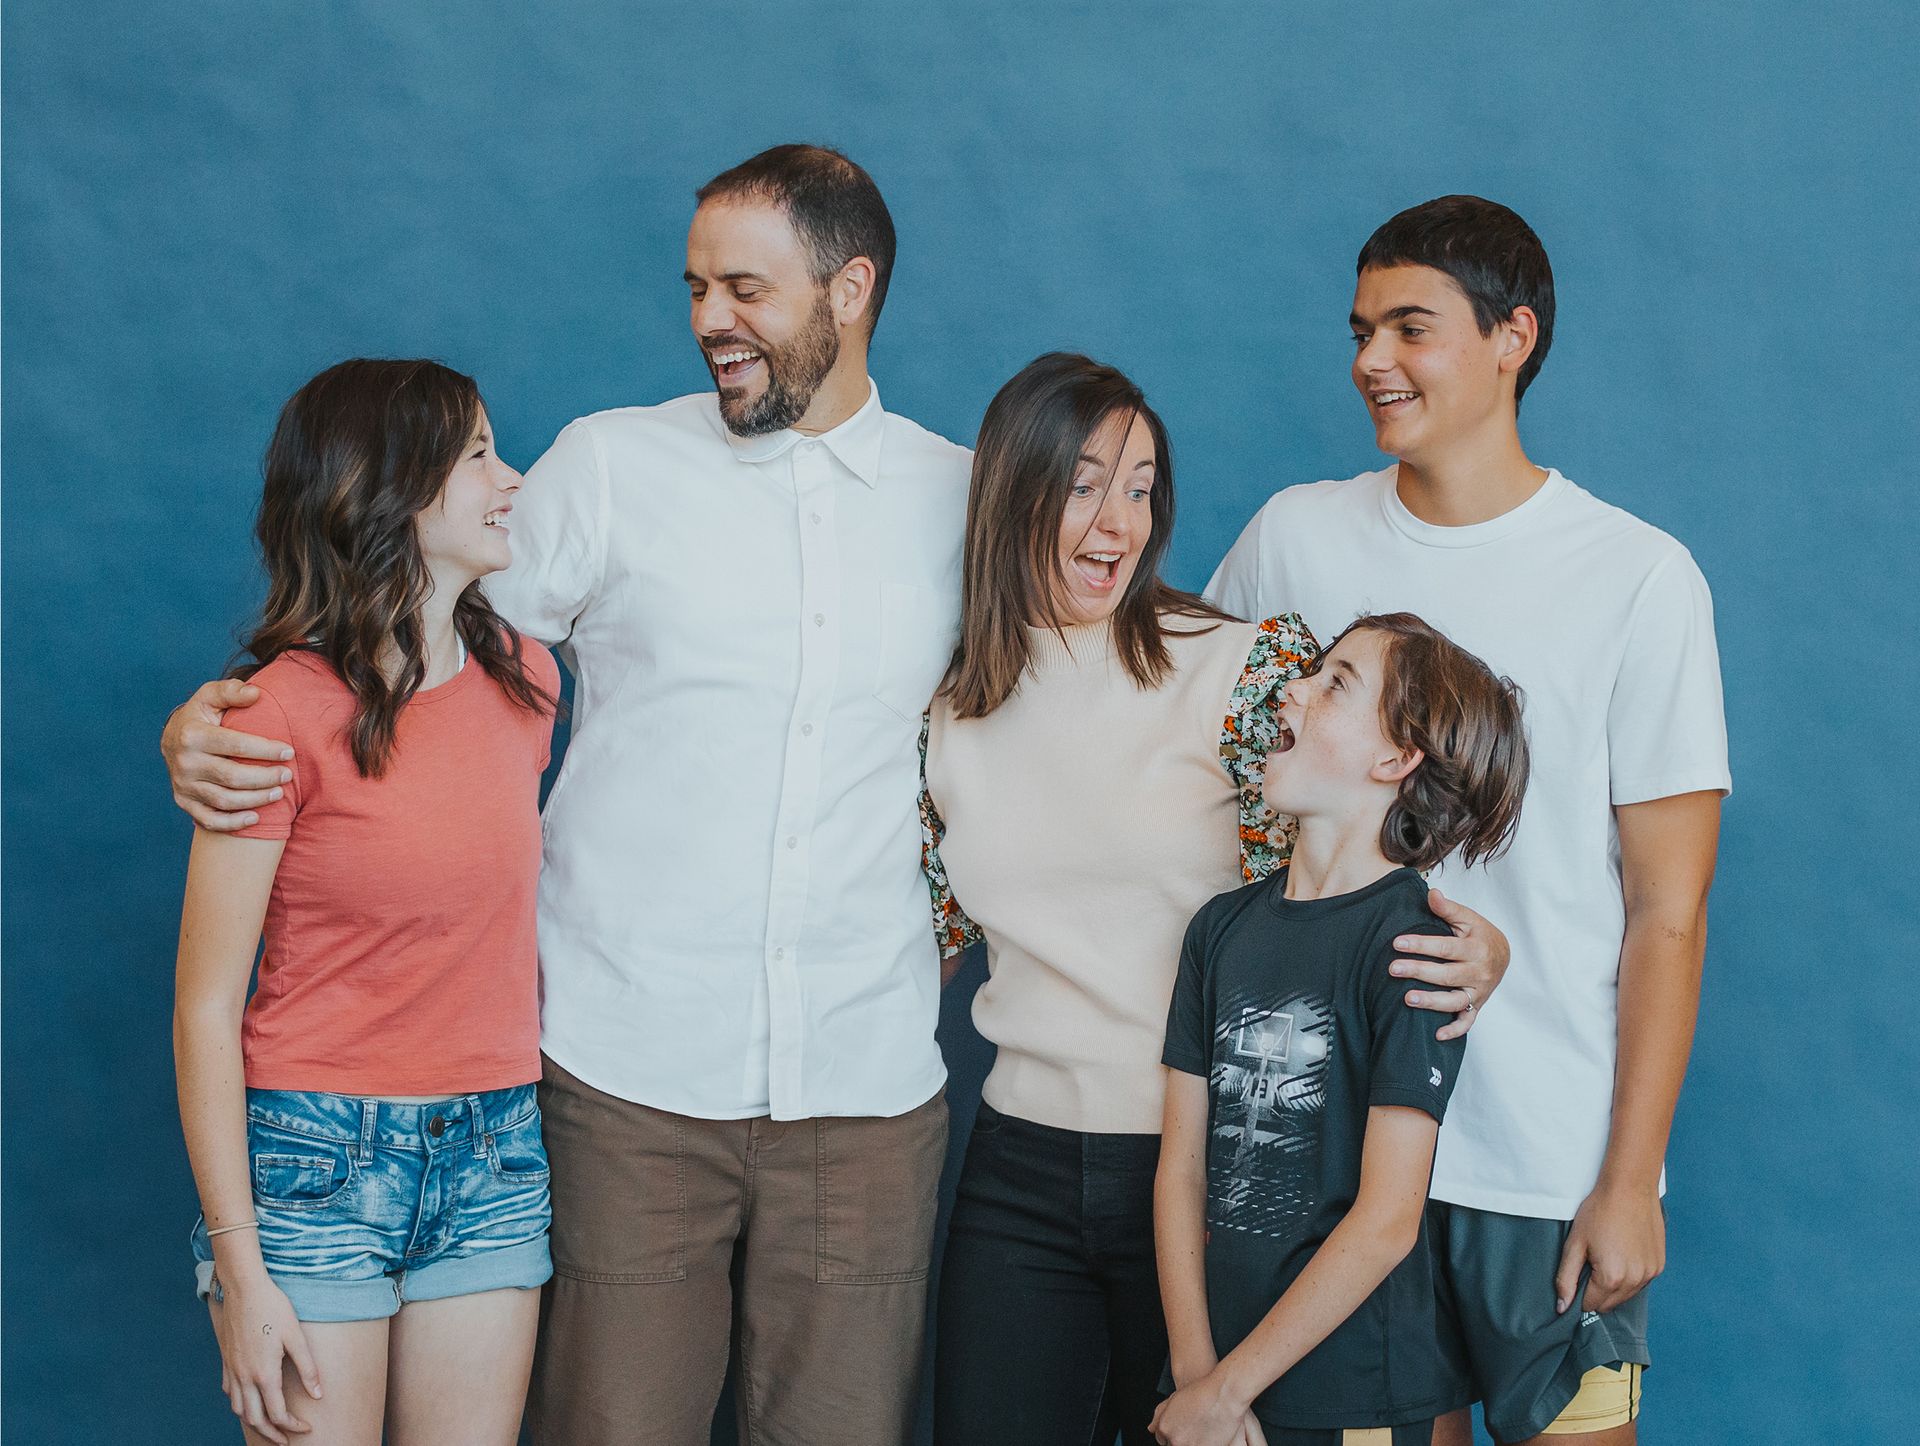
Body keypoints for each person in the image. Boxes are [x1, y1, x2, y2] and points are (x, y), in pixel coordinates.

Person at [162, 146, 968, 1446]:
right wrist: (213, 719)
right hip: (622, 1078)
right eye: (696, 285)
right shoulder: (604, 468)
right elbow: (398, 629)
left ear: (851, 288)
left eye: (745, 288)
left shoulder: (958, 496)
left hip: (862, 1086)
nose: (710, 317)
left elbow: (1069, 692)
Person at [1207, 196, 1730, 1445]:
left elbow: (1670, 908)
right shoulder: (1297, 536)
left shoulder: (1637, 576)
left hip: (1538, 1152)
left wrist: (1626, 1180)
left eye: (1411, 328)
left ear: (1514, 338)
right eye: (1359, 329)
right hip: (1339, 1154)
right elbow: (1199, 757)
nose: (1370, 361)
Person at [921, 354, 1513, 1446]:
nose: (1120, 522)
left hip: (1215, 1173)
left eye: (1143, 487)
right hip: (1019, 1168)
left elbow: (1351, 868)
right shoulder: (949, 710)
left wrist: (1478, 949)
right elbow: (927, 939)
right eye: (1087, 483)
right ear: (1016, 488)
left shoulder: (1238, 673)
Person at [173, 359, 561, 1446]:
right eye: (480, 452)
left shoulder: (530, 685)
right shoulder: (271, 718)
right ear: (388, 486)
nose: (513, 477)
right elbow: (207, 1007)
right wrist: (239, 1270)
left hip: (495, 1143)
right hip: (316, 1159)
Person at [1152, 613, 1531, 1446]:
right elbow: (1179, 1171)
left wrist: (1233, 1386)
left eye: (1335, 683)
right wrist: (1197, 1379)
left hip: (1351, 1397)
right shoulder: (1218, 930)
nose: (1292, 687)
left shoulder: (1422, 951)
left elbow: (1388, 1218)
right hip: (1209, 1386)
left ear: (1394, 760)